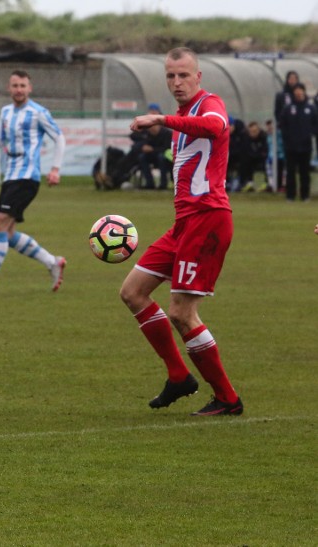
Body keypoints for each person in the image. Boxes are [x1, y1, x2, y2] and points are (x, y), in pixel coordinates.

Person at [119, 47, 243, 416]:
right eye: (171, 76)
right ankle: (178, 376)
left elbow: (217, 126)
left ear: (198, 76)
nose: (177, 82)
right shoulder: (180, 115)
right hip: (183, 224)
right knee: (132, 292)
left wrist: (160, 120)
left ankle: (227, 398)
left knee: (183, 313)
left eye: (184, 75)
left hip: (209, 220)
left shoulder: (210, 103)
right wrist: (168, 120)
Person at [0, 69, 67, 297]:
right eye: (15, 86)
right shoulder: (6, 112)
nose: (19, 90)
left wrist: (55, 168)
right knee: (7, 234)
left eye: (23, 86)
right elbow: (3, 139)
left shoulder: (38, 112)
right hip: (10, 176)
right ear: (9, 88)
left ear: (30, 88)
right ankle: (52, 262)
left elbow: (59, 137)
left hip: (27, 177)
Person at [278, 83, 318, 202]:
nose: (299, 93)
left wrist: (311, 134)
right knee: (291, 172)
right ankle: (290, 195)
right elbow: (282, 124)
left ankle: (305, 195)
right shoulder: (288, 108)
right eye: (296, 91)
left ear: (304, 92)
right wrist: (287, 138)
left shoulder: (311, 108)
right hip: (291, 146)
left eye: (301, 90)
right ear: (293, 93)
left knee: (304, 172)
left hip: (306, 146)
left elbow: (315, 124)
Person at [236, 121, 269, 192]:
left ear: (259, 130)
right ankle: (246, 183)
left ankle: (259, 185)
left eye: (255, 131)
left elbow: (264, 151)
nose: (253, 133)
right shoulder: (245, 138)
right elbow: (244, 151)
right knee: (244, 163)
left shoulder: (263, 137)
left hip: (259, 159)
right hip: (249, 159)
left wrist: (259, 156)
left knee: (260, 165)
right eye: (251, 131)